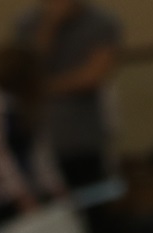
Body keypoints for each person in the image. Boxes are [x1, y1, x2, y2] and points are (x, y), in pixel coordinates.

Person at [11, 0, 120, 191]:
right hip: (39, 140)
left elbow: (93, 76)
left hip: (85, 140)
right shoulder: (27, 23)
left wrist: (45, 87)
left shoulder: (101, 22)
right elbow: (26, 71)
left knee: (92, 200)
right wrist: (50, 25)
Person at [0, 44, 64, 218]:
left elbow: (40, 153)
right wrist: (19, 195)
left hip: (31, 187)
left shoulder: (29, 106)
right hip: (3, 195)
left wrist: (55, 186)